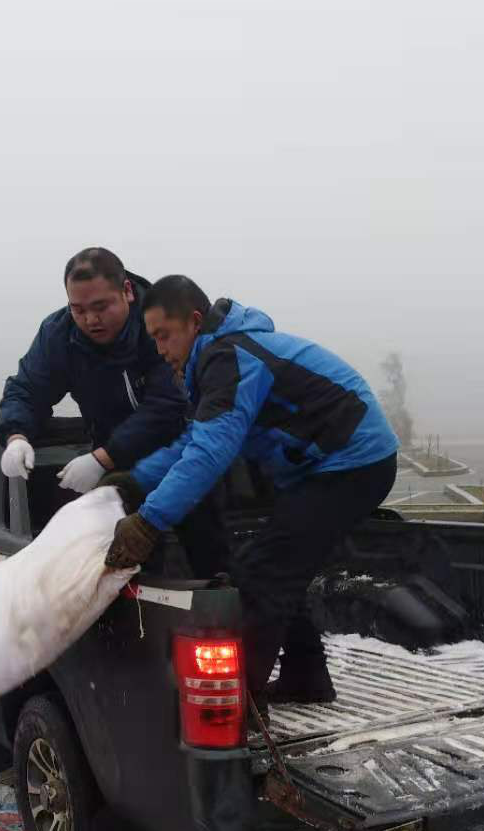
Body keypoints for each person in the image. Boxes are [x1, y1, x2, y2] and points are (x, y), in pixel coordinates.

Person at [105, 276, 399, 716]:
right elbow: (194, 442)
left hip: (353, 461)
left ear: (195, 321)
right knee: (278, 568)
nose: (160, 349)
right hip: (325, 466)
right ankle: (306, 678)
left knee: (263, 574)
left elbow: (211, 452)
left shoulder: (230, 357)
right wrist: (135, 481)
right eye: (153, 339)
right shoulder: (217, 359)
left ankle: (237, 708)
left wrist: (148, 521)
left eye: (164, 336)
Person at [0, 247, 228, 576]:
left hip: (182, 457)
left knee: (208, 558)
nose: (90, 320)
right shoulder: (59, 336)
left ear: (127, 292)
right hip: (119, 468)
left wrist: (102, 459)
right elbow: (27, 389)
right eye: (77, 309)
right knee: (130, 566)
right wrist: (16, 434)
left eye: (100, 307)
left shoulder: (157, 324)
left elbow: (167, 405)